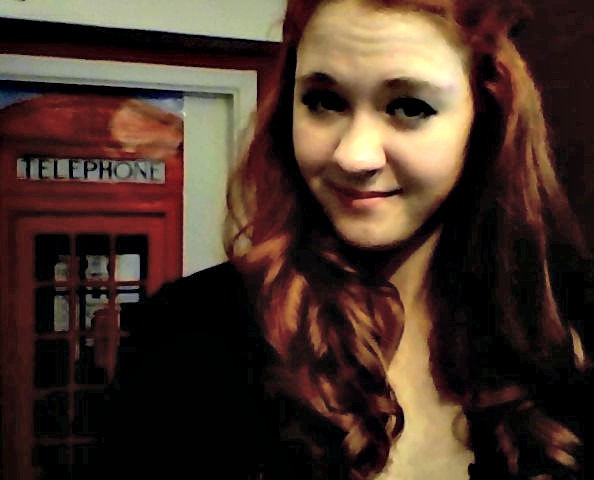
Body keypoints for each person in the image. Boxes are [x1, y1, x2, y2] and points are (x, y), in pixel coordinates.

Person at [95, 0, 593, 479]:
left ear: (486, 118)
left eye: (409, 107)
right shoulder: (190, 335)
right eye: (323, 101)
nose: (354, 156)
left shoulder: (567, 326)